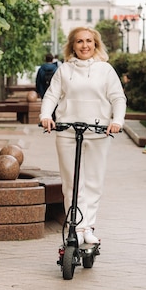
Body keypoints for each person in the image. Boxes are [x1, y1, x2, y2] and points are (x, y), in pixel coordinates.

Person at [40, 27, 126, 245]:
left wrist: (117, 121)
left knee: (93, 182)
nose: (84, 45)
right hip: (68, 131)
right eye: (79, 41)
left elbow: (118, 98)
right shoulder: (64, 70)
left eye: (89, 41)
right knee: (71, 183)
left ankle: (88, 226)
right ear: (72, 45)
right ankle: (75, 226)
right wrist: (45, 116)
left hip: (98, 132)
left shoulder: (105, 70)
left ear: (95, 44)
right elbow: (51, 95)